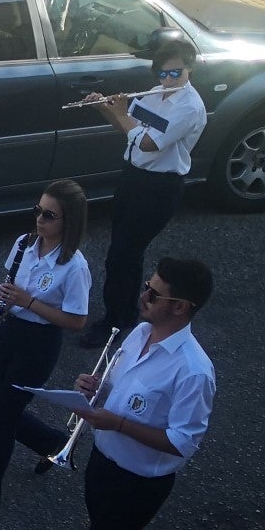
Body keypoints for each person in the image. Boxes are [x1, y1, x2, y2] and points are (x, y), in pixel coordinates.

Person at [4, 257, 217, 530]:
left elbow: (183, 441)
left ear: (182, 308)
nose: (144, 296)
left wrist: (117, 422)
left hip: (139, 484)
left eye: (155, 294)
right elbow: (119, 391)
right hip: (104, 465)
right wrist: (97, 388)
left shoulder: (194, 371)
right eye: (147, 286)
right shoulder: (141, 332)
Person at [0, 180, 93, 513]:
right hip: (11, 332)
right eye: (38, 211)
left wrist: (28, 302)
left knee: (3, 415)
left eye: (49, 215)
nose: (39, 220)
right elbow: (10, 290)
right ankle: (53, 442)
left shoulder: (75, 267)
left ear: (68, 222)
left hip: (40, 343)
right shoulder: (24, 244)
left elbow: (76, 320)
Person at [79, 38, 209, 349]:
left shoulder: (189, 107)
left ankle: (112, 320)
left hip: (160, 188)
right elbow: (130, 131)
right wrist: (105, 109)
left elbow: (150, 143)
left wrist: (123, 112)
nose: (167, 80)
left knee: (121, 254)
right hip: (134, 179)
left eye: (174, 73)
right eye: (162, 74)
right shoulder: (155, 94)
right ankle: (124, 314)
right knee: (126, 254)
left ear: (189, 67)